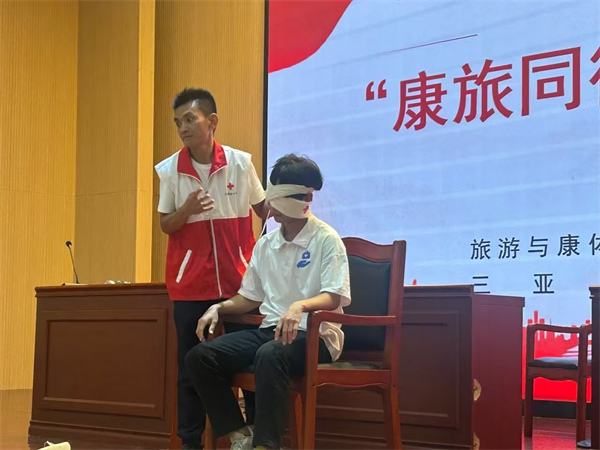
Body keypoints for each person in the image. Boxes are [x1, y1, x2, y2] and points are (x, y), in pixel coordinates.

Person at [185, 154, 351, 450]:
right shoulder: (266, 244)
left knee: (270, 354)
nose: (270, 203)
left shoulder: (326, 239)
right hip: (271, 331)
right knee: (200, 357)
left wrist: (300, 306)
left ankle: (266, 445)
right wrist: (218, 307)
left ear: (305, 198)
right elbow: (249, 297)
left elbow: (334, 295)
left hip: (315, 336)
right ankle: (240, 436)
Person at [155, 88, 268, 450]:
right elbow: (166, 225)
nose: (183, 128)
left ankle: (255, 437)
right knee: (190, 368)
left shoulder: (240, 163)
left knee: (252, 364)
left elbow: (265, 211)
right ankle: (191, 443)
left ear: (212, 121)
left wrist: (263, 257)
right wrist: (186, 210)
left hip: (241, 287)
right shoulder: (170, 170)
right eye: (178, 122)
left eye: (190, 119)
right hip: (191, 286)